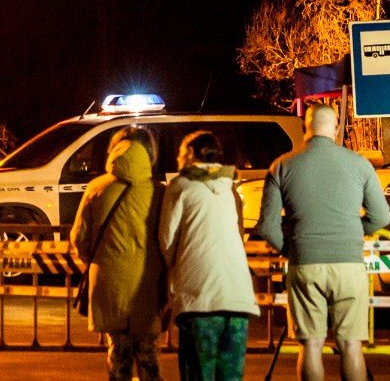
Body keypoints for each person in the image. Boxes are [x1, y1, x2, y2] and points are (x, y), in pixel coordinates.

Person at [254, 102, 390, 381]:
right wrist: (351, 233)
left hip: (305, 264)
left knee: (311, 344)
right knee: (351, 345)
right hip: (349, 266)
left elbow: (267, 226)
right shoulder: (360, 164)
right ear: (337, 127)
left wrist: (292, 247)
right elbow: (381, 217)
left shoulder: (282, 166)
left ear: (306, 126)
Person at [160, 130, 258, 381]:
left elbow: (167, 240)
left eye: (181, 155)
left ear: (191, 155)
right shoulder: (230, 190)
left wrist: (175, 267)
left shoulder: (180, 186)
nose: (179, 160)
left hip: (199, 298)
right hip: (237, 297)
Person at [72, 127, 166, 381]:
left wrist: (96, 260)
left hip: (108, 282)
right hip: (147, 284)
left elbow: (79, 238)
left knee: (118, 352)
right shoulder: (158, 191)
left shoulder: (96, 188)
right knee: (148, 354)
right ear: (150, 152)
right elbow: (167, 239)